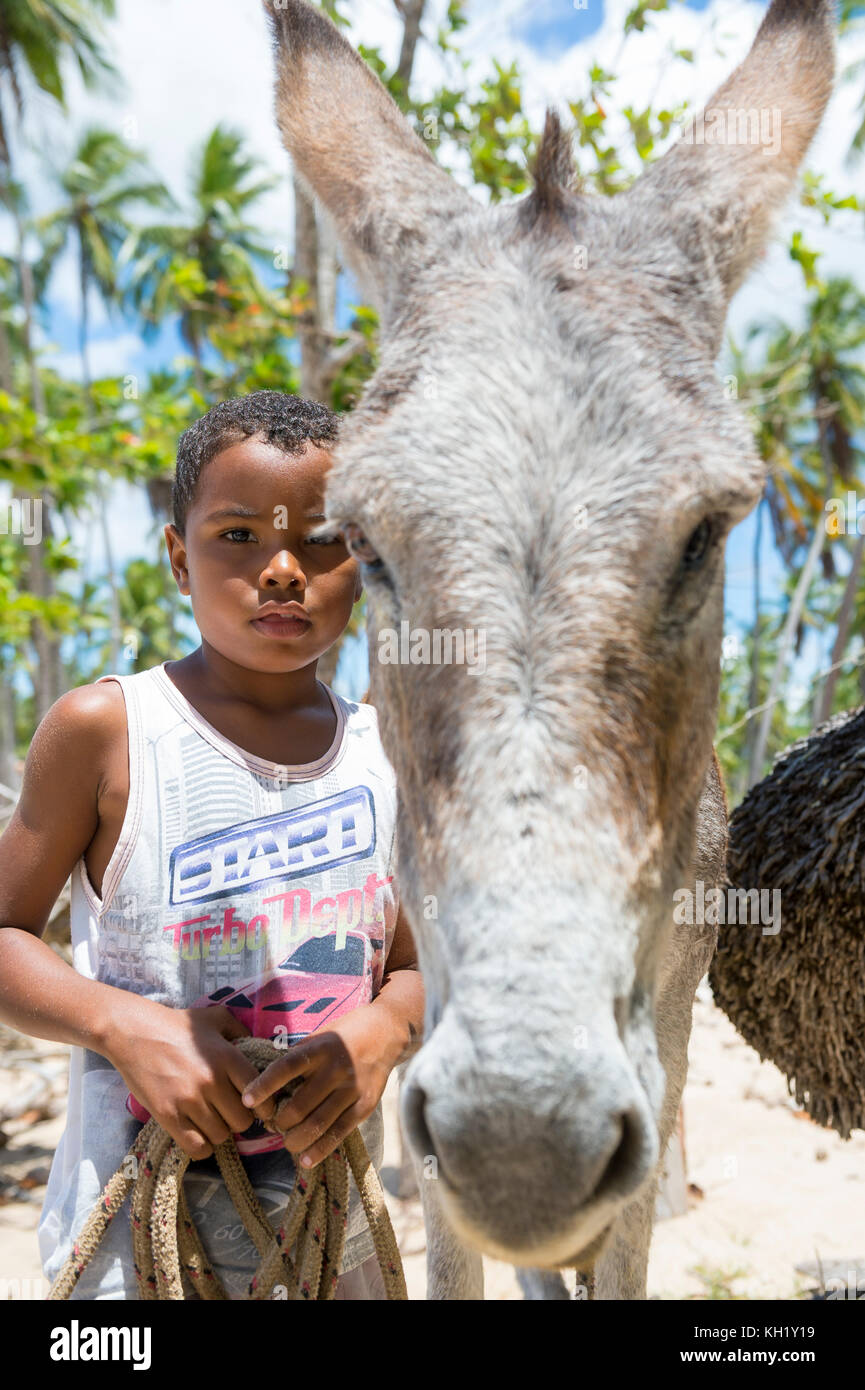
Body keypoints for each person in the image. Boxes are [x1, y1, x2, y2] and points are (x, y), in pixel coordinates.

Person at [0, 390, 424, 1299]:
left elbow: (421, 969)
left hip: (329, 1244)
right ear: (178, 559)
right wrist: (126, 1025)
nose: (281, 570)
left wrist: (386, 1030)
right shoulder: (108, 731)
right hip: (131, 1249)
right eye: (238, 537)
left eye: (322, 540)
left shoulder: (392, 758)